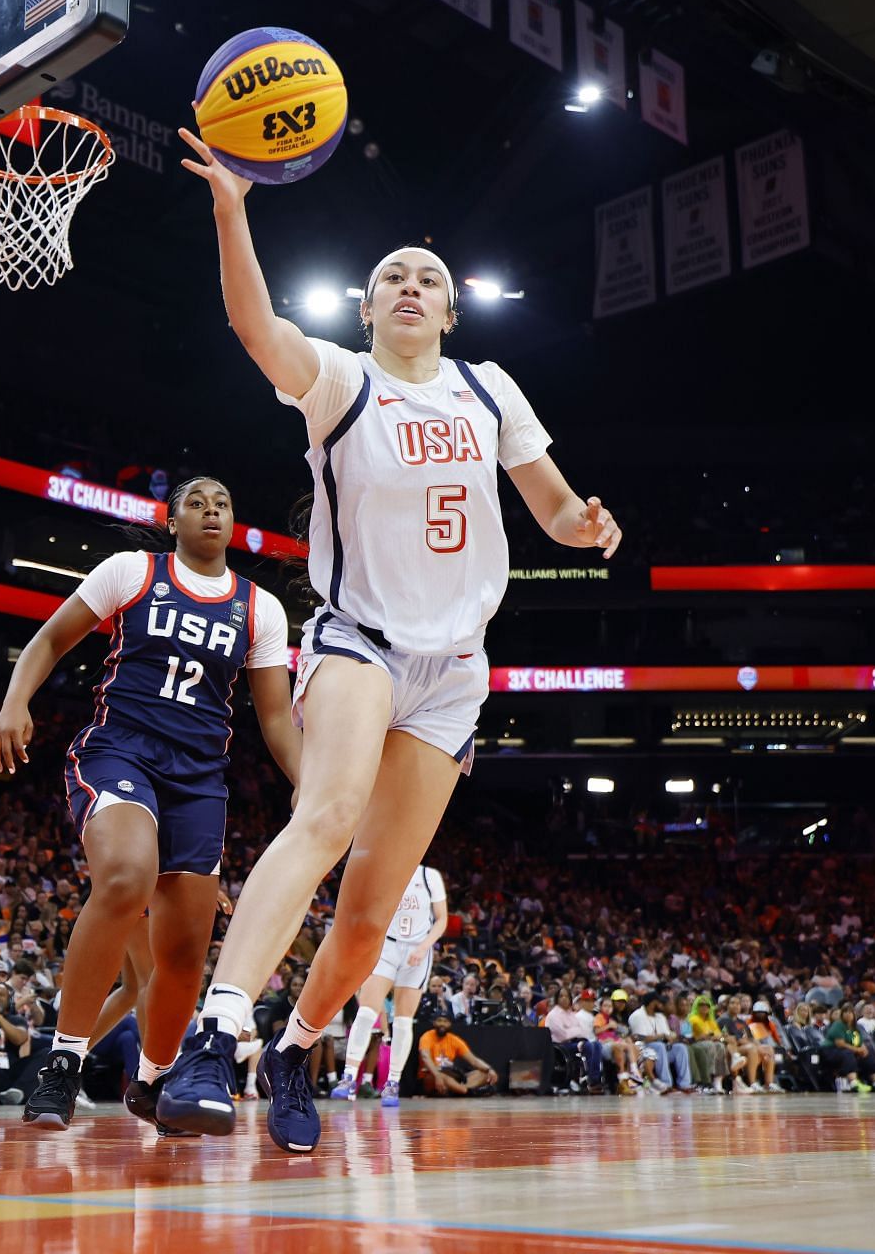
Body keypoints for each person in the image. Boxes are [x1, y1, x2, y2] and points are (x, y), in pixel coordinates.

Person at [158, 126, 618, 1155]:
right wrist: (234, 209)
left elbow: (547, 506)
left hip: (454, 670)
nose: (410, 286)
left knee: (369, 916)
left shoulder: (492, 387)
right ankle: (214, 1033)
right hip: (358, 638)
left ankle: (293, 1050)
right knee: (322, 816)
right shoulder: (337, 380)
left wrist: (583, 523)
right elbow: (253, 324)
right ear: (367, 309)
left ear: (451, 310)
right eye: (391, 278)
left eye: (428, 278)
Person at [0, 475, 299, 1132]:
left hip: (200, 776)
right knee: (127, 878)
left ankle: (155, 1079)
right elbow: (48, 639)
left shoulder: (259, 608)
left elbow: (275, 718)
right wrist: (16, 701)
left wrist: (311, 784)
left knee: (184, 950)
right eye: (197, 503)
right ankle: (62, 1063)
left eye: (223, 503)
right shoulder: (131, 571)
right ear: (172, 520)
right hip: (120, 750)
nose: (212, 511)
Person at [332, 861, 446, 1106]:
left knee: (403, 1021)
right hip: (388, 946)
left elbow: (442, 920)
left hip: (418, 952)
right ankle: (348, 1077)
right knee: (366, 1012)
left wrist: (424, 947)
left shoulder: (429, 875)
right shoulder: (385, 869)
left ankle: (392, 1083)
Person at [416, 1013, 499, 1096]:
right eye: (439, 1021)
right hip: (431, 1075)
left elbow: (473, 1060)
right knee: (443, 1077)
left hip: (452, 1077)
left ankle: (456, 1090)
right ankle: (467, 1092)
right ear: (434, 1023)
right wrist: (437, 1075)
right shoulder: (427, 1036)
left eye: (445, 1021)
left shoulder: (454, 1039)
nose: (442, 1024)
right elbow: (425, 1056)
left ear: (450, 1024)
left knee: (484, 1074)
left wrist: (489, 1069)